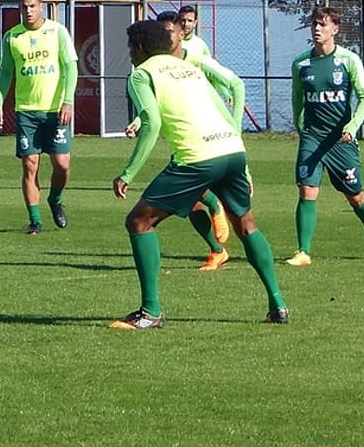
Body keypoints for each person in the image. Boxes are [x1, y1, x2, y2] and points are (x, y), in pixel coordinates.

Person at [110, 20, 288, 329]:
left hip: (197, 158)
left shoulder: (142, 74)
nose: (129, 54)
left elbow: (150, 123)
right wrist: (243, 164)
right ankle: (278, 304)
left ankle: (150, 312)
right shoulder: (189, 68)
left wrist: (128, 173)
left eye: (130, 48)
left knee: (139, 221)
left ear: (139, 47)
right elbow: (221, 110)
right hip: (231, 150)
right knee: (247, 225)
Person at [125, 11, 236, 270]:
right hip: (190, 143)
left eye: (173, 29)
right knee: (192, 203)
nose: (170, 35)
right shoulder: (155, 71)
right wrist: (137, 122)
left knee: (140, 220)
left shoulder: (194, 56)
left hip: (200, 144)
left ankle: (215, 206)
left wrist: (235, 125)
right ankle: (218, 250)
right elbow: (157, 106)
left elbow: (230, 85)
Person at [287, 6, 364, 266]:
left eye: (322, 24)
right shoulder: (301, 63)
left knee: (355, 196)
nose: (317, 29)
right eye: (314, 24)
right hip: (313, 137)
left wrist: (351, 127)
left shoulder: (348, 60)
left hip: (340, 140)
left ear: (335, 29)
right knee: (307, 189)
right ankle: (303, 251)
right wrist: (300, 127)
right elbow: (298, 98)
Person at [0, 0, 79, 234]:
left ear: (41, 6)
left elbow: (71, 68)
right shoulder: (12, 37)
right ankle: (35, 220)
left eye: (32, 6)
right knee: (31, 164)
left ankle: (55, 199)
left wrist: (68, 101)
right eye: (24, 6)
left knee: (62, 164)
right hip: (27, 111)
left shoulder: (57, 32)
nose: (28, 11)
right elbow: (6, 72)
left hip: (55, 110)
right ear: (19, 8)